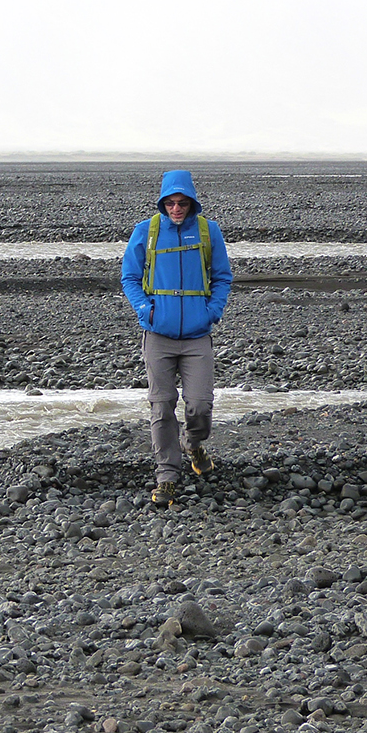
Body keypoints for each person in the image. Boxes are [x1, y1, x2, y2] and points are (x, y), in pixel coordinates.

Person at [121, 170, 233, 509]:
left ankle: (193, 443)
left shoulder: (208, 231)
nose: (176, 208)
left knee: (199, 405)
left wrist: (212, 311)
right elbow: (129, 276)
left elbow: (223, 276)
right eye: (170, 203)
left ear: (192, 202)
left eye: (182, 203)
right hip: (158, 335)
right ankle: (167, 477)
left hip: (198, 335)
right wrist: (145, 309)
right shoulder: (146, 232)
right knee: (161, 405)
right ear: (162, 203)